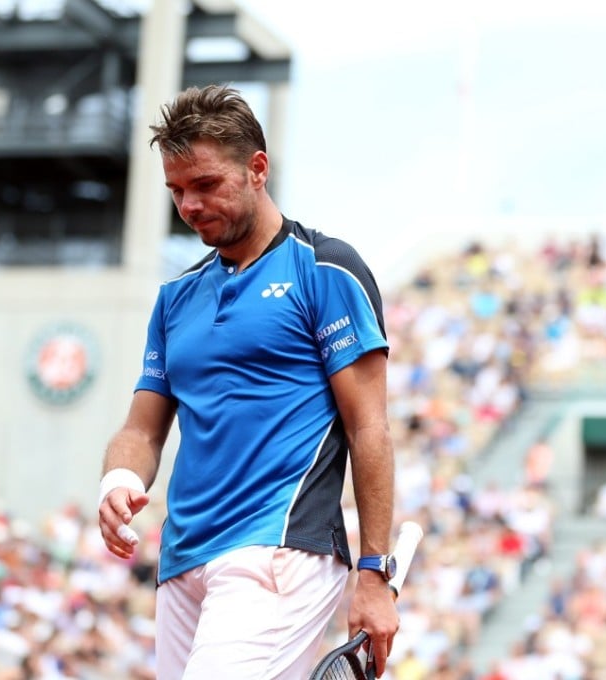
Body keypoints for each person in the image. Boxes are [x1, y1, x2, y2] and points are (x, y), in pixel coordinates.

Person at [96, 84, 399, 679]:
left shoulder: (326, 269)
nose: (189, 205)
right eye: (176, 191)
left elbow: (370, 429)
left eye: (205, 184)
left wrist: (375, 573)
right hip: (182, 562)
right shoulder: (175, 297)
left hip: (280, 551)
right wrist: (120, 477)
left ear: (257, 168)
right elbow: (142, 429)